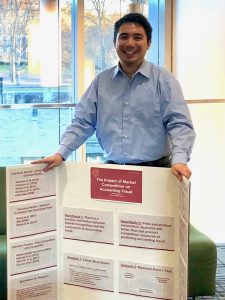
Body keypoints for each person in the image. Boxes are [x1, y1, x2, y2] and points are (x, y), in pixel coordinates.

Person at [32, 13, 195, 181]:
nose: (130, 43)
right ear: (114, 42)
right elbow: (83, 122)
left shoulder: (164, 79)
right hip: (112, 172)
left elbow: (179, 124)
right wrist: (61, 153)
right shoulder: (101, 81)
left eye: (137, 37)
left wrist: (180, 160)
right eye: (124, 37)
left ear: (148, 44)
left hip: (156, 172)